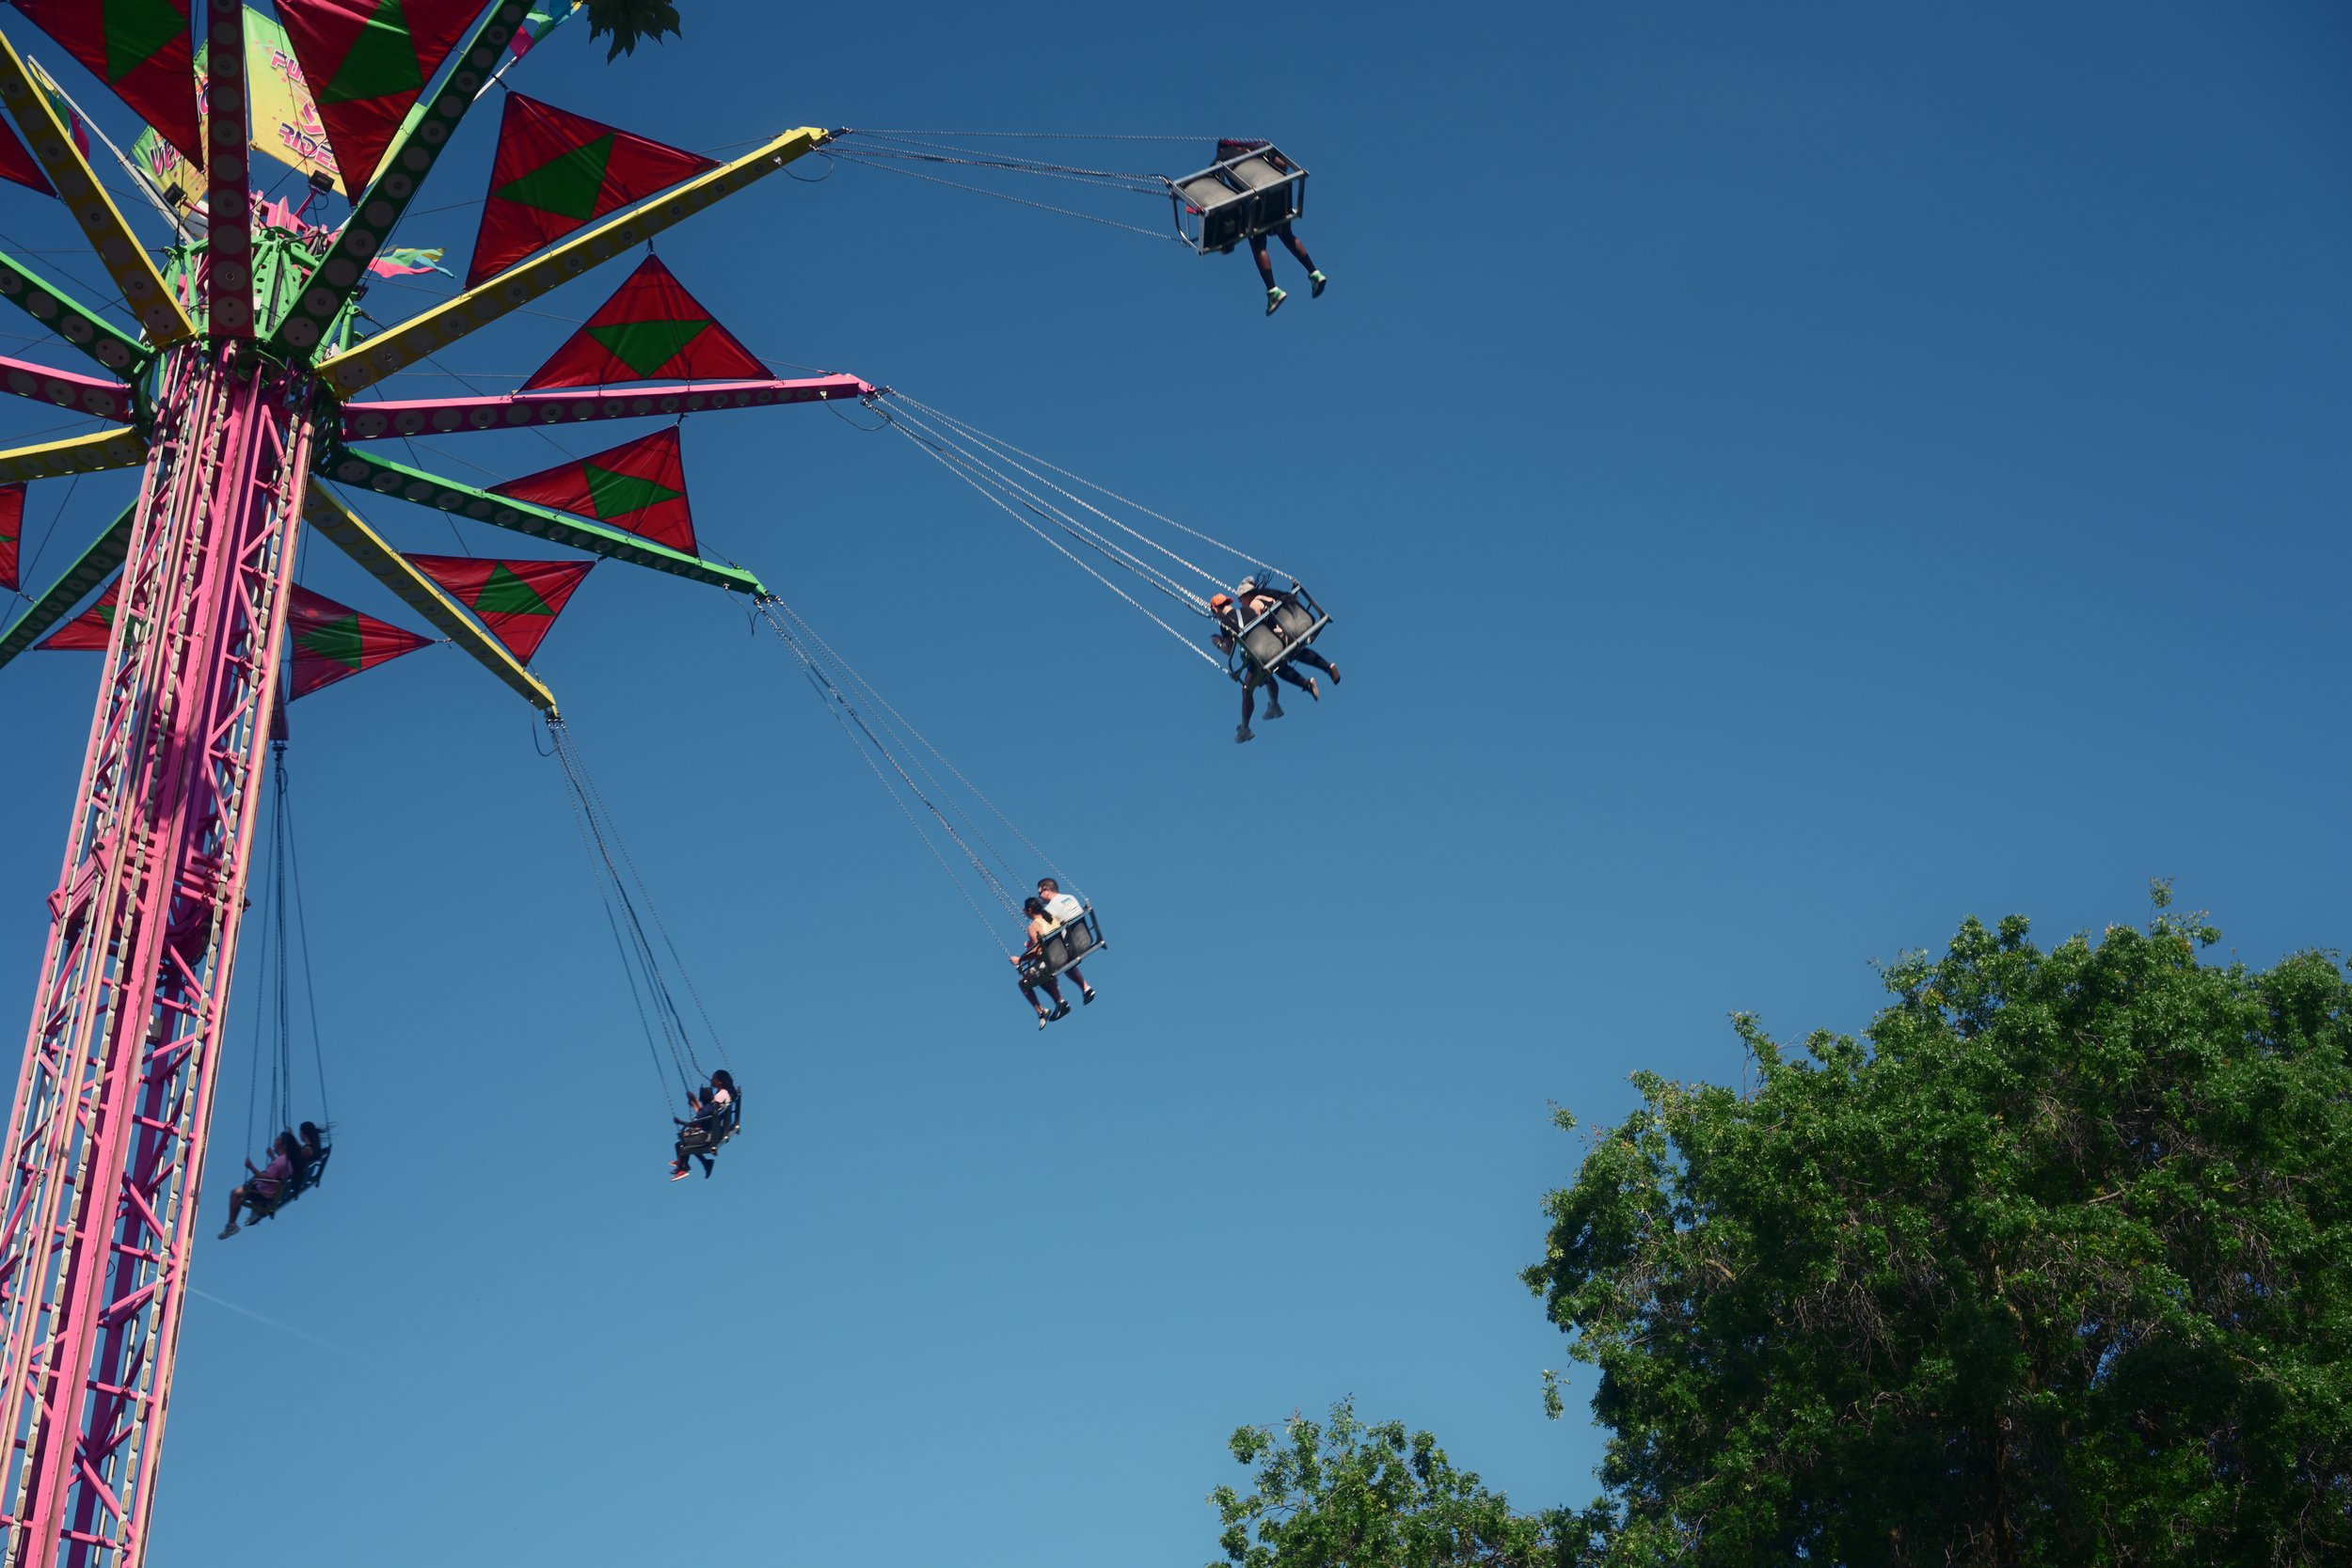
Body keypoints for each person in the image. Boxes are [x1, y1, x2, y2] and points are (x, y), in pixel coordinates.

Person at [1214, 138, 1327, 316]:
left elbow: (1211, 186)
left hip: (1257, 203)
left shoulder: (1222, 157)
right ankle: (1314, 273)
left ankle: (1273, 291)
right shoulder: (1257, 153)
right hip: (1280, 197)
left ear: (1222, 149)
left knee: (1258, 244)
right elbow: (1282, 164)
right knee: (1286, 234)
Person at [1212, 591, 1317, 744]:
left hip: (1259, 655)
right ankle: (1274, 705)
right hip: (1273, 644)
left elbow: (1229, 651)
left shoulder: (1225, 624)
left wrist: (1218, 643)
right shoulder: (1247, 610)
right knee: (1267, 674)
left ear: (1215, 610)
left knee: (1247, 690)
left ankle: (1245, 729)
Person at [217, 1130, 298, 1238]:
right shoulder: (288, 1160)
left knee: (235, 1193)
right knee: (253, 1181)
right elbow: (278, 1171)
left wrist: (251, 1166)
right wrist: (272, 1156)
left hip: (264, 1193)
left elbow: (265, 1178)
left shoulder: (279, 1162)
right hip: (273, 1191)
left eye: (278, 1139)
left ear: (283, 1145)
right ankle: (257, 1212)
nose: (275, 1140)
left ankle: (231, 1224)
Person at [1012, 895, 1070, 1028]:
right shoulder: (1052, 919)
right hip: (1064, 954)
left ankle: (1041, 1011)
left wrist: (1019, 959)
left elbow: (1037, 950)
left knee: (1023, 983)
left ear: (1030, 910)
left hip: (1050, 960)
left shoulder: (1033, 926)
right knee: (1041, 977)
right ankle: (1060, 1002)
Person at [1036, 879, 1096, 1005]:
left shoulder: (1049, 909)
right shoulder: (1070, 897)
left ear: (1046, 890)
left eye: (1039, 893)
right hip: (1087, 938)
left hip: (1073, 946)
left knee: (1046, 966)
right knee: (1067, 963)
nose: (1040, 898)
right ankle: (1086, 988)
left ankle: (1059, 1001)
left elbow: (1049, 930)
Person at [670, 1087, 721, 1180]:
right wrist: (694, 1102)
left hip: (706, 1137)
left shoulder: (704, 1111)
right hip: (711, 1133)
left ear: (701, 1099)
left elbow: (695, 1123)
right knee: (687, 1141)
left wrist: (679, 1122)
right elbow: (701, 1119)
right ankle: (703, 1162)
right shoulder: (712, 1106)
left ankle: (683, 1168)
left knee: (681, 1144)